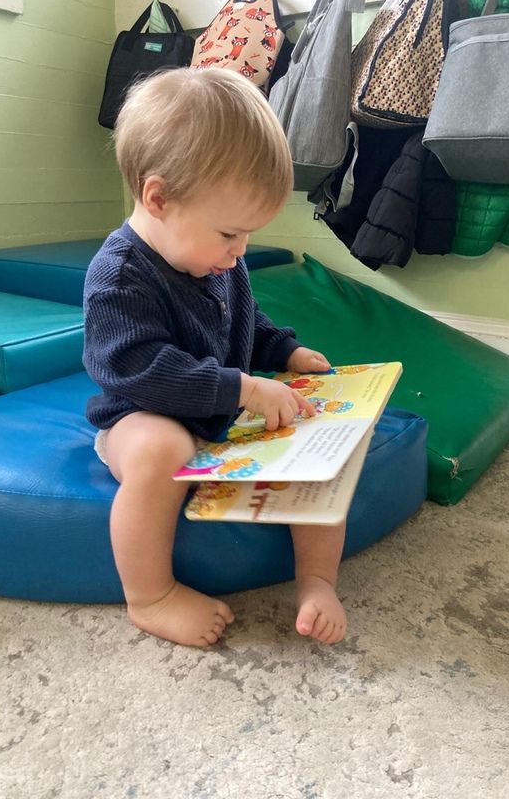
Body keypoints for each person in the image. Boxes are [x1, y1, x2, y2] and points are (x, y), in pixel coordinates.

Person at [83, 67, 347, 648]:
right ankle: (150, 596)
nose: (240, 251)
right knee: (162, 447)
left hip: (222, 412)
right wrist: (245, 390)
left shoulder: (214, 254)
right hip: (141, 415)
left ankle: (317, 580)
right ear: (158, 198)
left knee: (314, 447)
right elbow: (138, 370)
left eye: (248, 236)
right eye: (231, 234)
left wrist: (286, 350)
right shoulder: (119, 277)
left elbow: (243, 323)